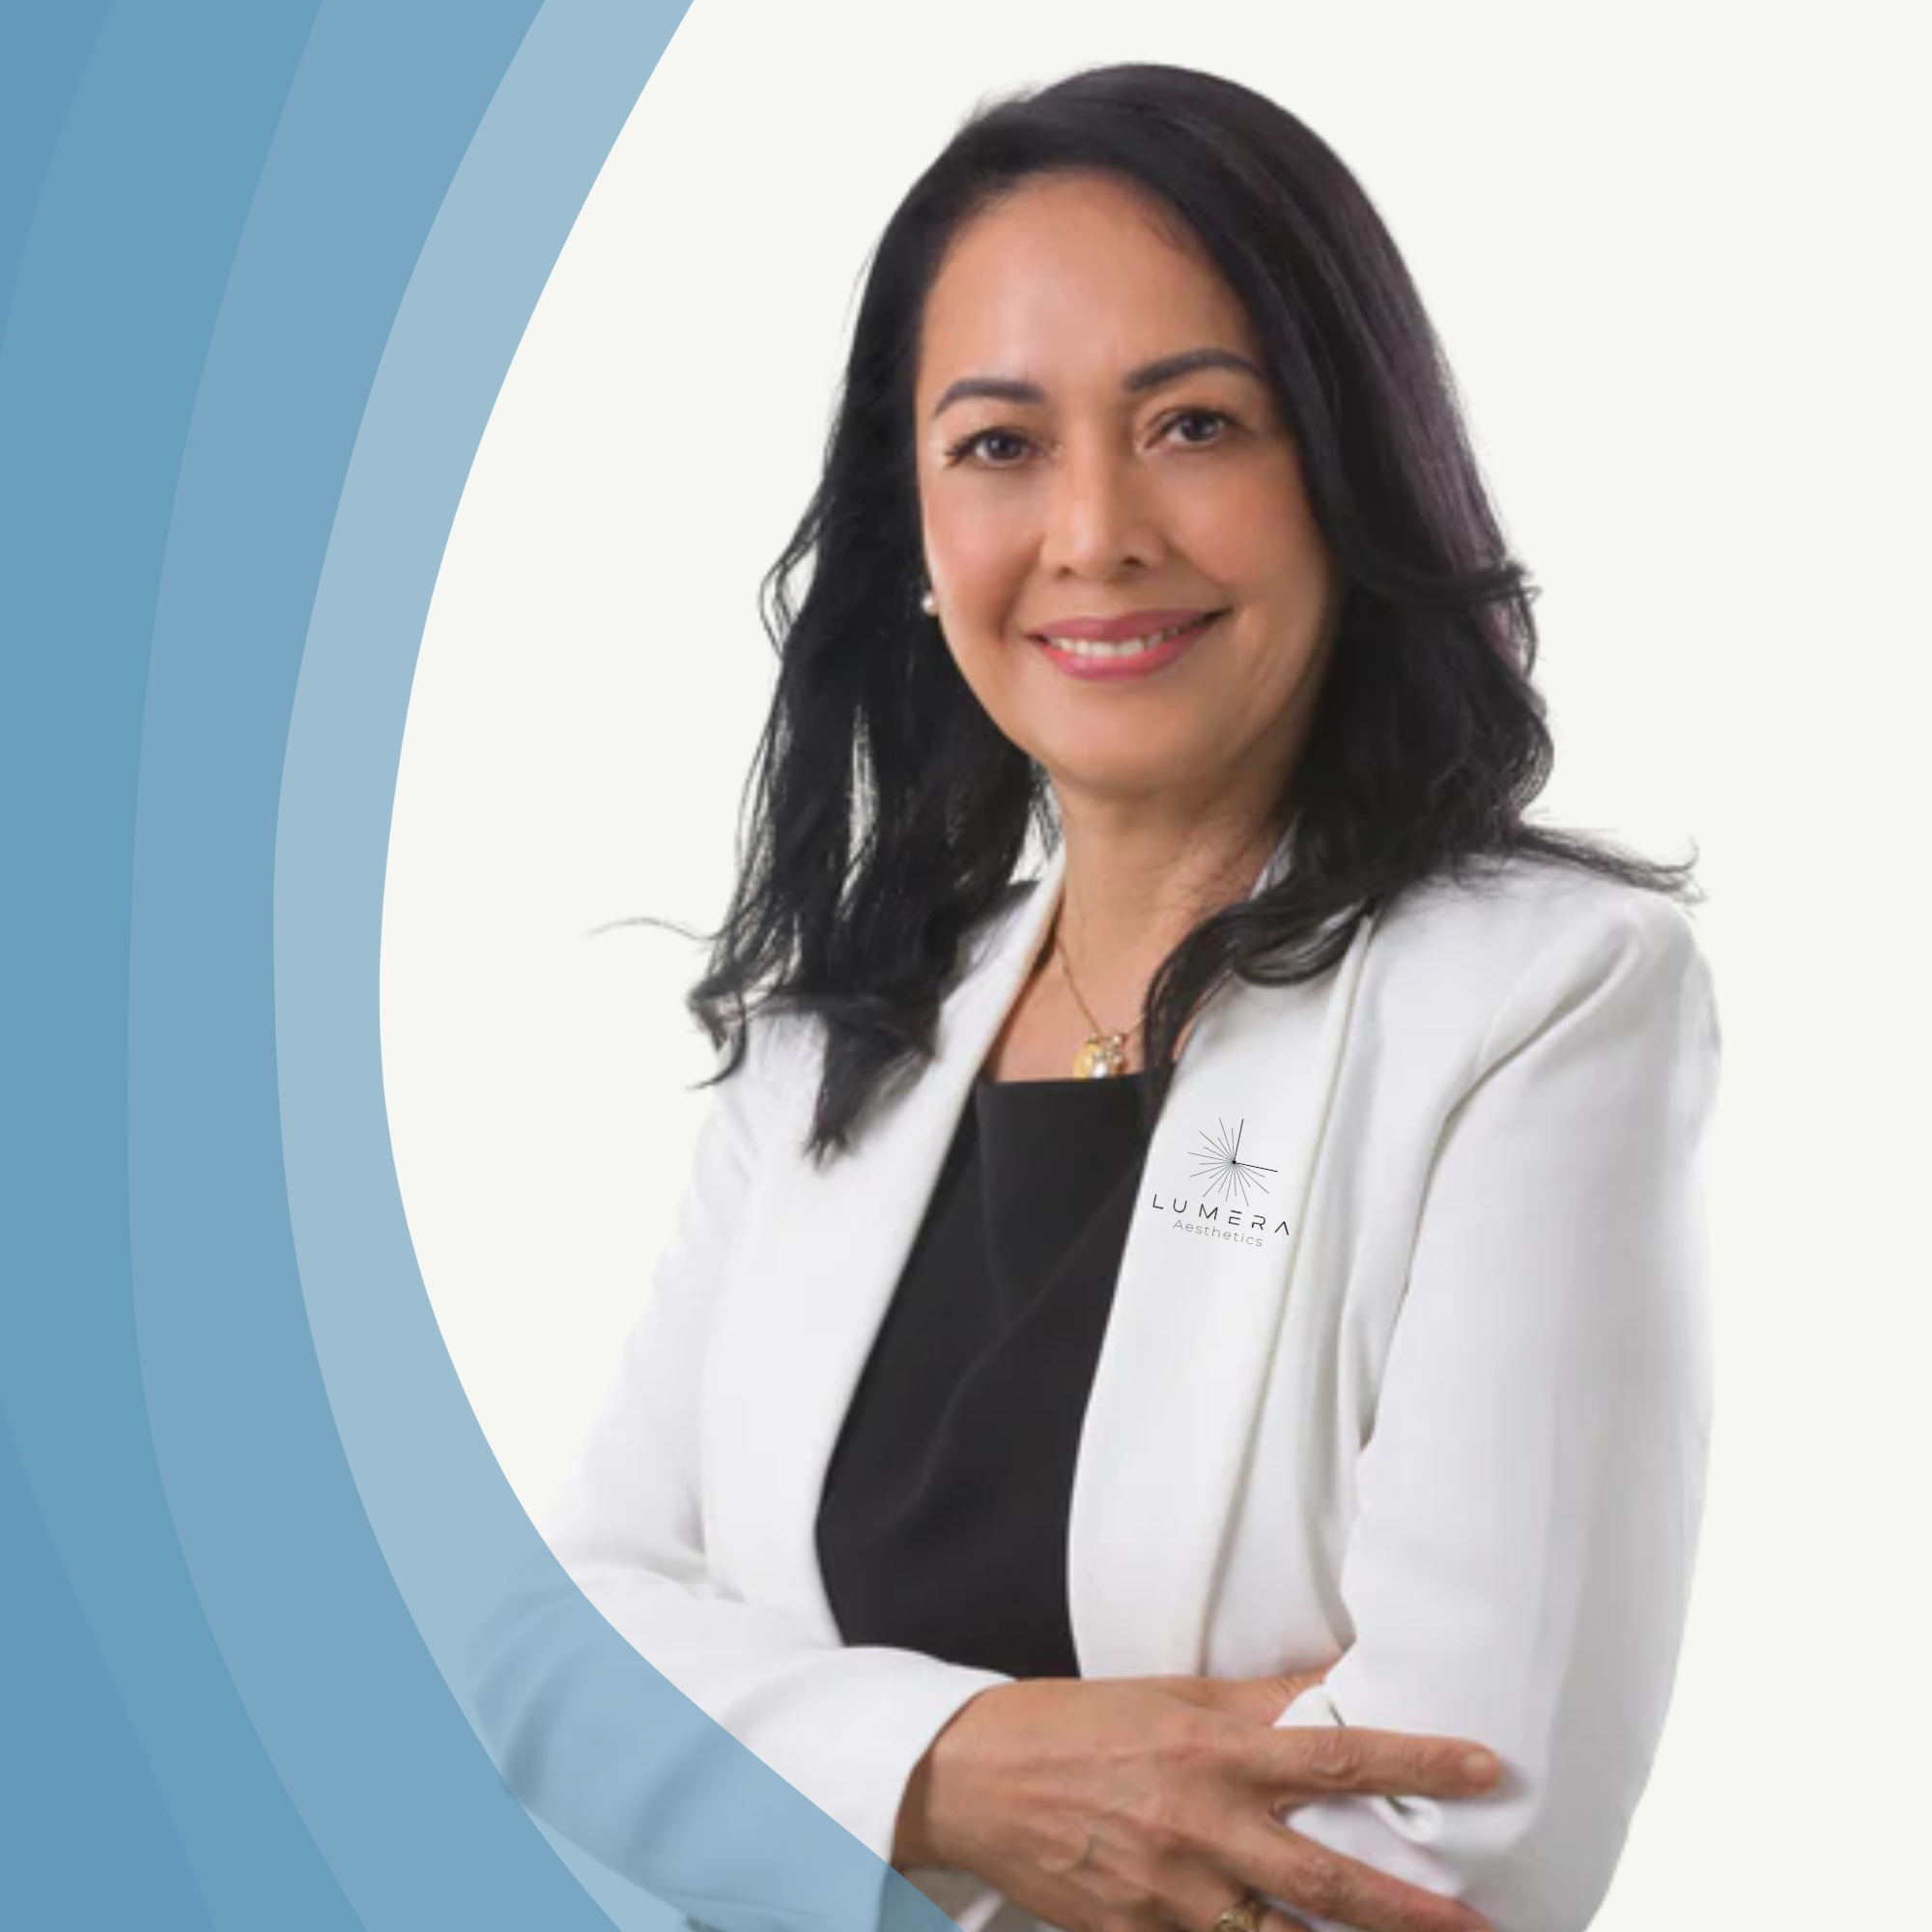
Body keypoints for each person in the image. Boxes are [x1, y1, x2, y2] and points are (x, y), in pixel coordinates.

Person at [473, 61, 1719, 1932]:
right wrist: (953, 1775)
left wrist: (804, 1794)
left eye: (1195, 425)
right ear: (910, 531)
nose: (1094, 532)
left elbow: (1444, 1847)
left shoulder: (1542, 1003)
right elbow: (550, 1663)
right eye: (998, 443)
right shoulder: (842, 1036)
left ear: (1344, 470)